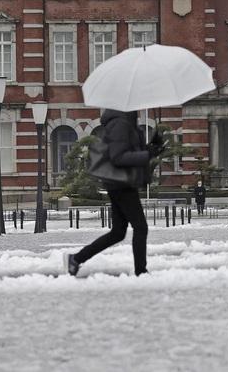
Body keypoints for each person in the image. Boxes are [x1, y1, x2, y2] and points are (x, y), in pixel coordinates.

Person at [67, 109, 164, 277]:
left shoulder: (128, 122)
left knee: (118, 232)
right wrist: (147, 154)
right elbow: (118, 157)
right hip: (121, 184)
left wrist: (151, 148)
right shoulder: (120, 123)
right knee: (141, 227)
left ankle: (76, 259)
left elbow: (130, 151)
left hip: (122, 183)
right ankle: (141, 272)